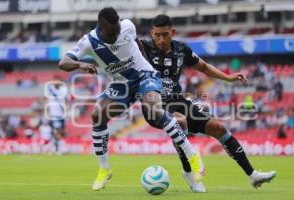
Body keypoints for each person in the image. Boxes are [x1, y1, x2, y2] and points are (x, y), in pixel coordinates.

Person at [58, 7, 203, 191]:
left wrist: (145, 63)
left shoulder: (127, 26)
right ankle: (104, 169)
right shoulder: (89, 41)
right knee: (97, 115)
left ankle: (192, 155)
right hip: (122, 84)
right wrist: (80, 64)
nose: (117, 34)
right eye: (112, 32)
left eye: (118, 29)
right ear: (102, 28)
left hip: (145, 76)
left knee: (154, 109)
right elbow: (63, 62)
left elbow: (137, 44)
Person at [139, 14, 276, 192]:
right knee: (179, 121)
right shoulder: (143, 47)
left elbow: (202, 66)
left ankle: (253, 175)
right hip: (153, 104)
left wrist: (227, 78)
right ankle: (189, 172)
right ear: (151, 33)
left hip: (177, 99)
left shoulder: (181, 49)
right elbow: (116, 48)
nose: (161, 39)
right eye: (157, 35)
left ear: (172, 32)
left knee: (218, 127)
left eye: (165, 34)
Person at [46, 77, 67, 154]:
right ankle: (60, 149)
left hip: (61, 115)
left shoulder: (62, 91)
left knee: (59, 133)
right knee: (57, 132)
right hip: (54, 115)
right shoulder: (50, 90)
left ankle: (55, 148)